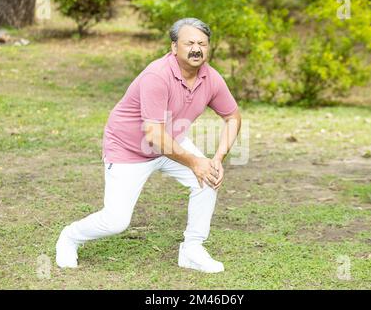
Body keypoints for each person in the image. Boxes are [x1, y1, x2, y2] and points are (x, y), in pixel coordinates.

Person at [56, 17, 242, 273]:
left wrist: (217, 159)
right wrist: (195, 161)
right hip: (129, 149)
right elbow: (153, 136)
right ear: (174, 47)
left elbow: (232, 117)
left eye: (202, 43)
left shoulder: (211, 78)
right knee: (116, 221)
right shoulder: (157, 75)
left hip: (170, 141)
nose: (196, 49)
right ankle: (70, 237)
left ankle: (192, 249)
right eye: (189, 43)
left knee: (209, 178)